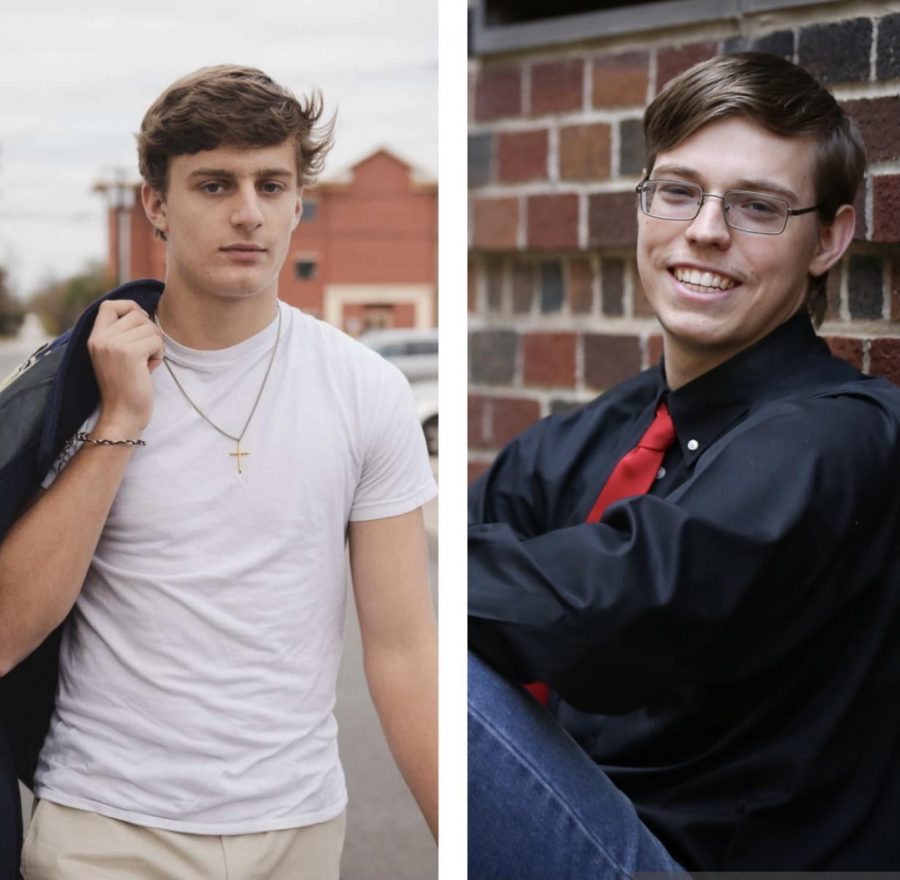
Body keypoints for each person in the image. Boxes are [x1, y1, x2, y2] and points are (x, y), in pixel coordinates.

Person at [0, 64, 437, 880]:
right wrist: (123, 421)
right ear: (157, 205)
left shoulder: (365, 388)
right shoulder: (78, 388)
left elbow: (406, 648)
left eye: (272, 184)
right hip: (106, 828)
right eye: (213, 184)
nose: (248, 213)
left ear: (299, 200)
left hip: (300, 829)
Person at [468, 51, 900, 874]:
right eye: (678, 191)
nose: (705, 229)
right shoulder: (599, 433)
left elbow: (617, 611)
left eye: (758, 206)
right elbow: (465, 543)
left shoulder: (839, 438)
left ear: (829, 238)